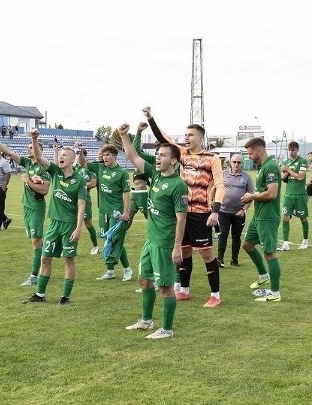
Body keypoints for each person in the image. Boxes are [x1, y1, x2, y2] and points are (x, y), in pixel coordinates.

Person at [143, 106, 224, 308]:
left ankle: (215, 294)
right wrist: (151, 117)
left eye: (190, 135)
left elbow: (221, 185)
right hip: (181, 212)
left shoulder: (212, 158)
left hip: (201, 213)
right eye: (185, 134)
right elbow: (164, 137)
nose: (186, 137)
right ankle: (184, 290)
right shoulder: (181, 154)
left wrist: (215, 211)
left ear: (200, 138)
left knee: (206, 253)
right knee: (185, 251)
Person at [118, 123, 188, 339]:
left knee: (165, 288)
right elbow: (132, 156)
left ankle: (167, 329)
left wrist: (177, 246)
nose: (158, 158)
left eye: (163, 155)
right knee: (144, 281)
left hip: (165, 244)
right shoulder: (155, 176)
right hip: (151, 241)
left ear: (174, 160)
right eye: (157, 154)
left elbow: (181, 218)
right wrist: (124, 135)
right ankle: (147, 321)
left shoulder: (178, 185)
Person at [23, 129, 86, 305]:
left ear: (72, 159)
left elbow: (82, 204)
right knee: (45, 258)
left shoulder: (79, 180)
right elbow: (39, 157)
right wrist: (35, 138)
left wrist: (78, 228)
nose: (62, 157)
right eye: (61, 154)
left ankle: (65, 296)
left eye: (66, 155)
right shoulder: (55, 172)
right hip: (54, 224)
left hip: (69, 225)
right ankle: (40, 294)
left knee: (68, 259)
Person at [0, 133, 51, 286]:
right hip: (27, 207)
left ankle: (34, 276)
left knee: (36, 242)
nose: (29, 150)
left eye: (32, 147)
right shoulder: (28, 163)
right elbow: (8, 152)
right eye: (28, 147)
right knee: (34, 242)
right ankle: (42, 269)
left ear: (39, 150)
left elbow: (45, 190)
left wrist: (27, 180)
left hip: (36, 207)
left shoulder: (43, 168)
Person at [78, 143, 133, 282]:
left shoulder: (122, 173)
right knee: (107, 241)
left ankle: (127, 269)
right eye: (103, 155)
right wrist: (79, 151)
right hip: (103, 212)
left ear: (114, 156)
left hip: (117, 212)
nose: (105, 157)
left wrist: (126, 212)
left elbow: (127, 193)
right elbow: (82, 163)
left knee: (115, 241)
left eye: (108, 154)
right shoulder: (100, 168)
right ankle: (110, 271)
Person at [241, 137, 283, 302]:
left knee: (270, 254)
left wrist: (251, 195)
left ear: (259, 151)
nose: (249, 157)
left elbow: (272, 193)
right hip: (258, 216)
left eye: (251, 153)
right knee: (248, 245)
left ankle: (275, 293)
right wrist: (252, 197)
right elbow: (262, 191)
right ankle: (263, 275)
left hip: (267, 217)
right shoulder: (263, 167)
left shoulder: (271, 166)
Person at [216, 154, 254, 267]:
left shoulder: (247, 177)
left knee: (236, 236)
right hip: (223, 211)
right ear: (230, 162)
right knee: (223, 234)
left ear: (242, 163)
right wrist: (214, 203)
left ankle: (234, 260)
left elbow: (251, 195)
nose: (236, 164)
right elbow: (215, 188)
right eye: (234, 162)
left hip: (239, 212)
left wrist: (244, 209)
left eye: (239, 162)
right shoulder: (223, 174)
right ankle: (220, 259)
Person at [279, 141, 309, 251]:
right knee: (285, 217)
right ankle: (285, 244)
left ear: (297, 150)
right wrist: (284, 174)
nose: (291, 152)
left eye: (293, 150)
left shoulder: (302, 161)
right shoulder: (286, 162)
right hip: (288, 195)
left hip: (300, 195)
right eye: (289, 150)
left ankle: (305, 241)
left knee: (302, 218)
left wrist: (288, 170)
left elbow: (300, 177)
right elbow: (282, 179)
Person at [74, 149, 100, 255]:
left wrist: (80, 185)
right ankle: (69, 247)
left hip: (85, 200)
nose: (78, 158)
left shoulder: (89, 169)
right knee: (70, 223)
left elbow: (93, 183)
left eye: (80, 155)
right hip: (72, 200)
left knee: (88, 223)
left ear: (84, 156)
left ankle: (95, 246)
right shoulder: (74, 168)